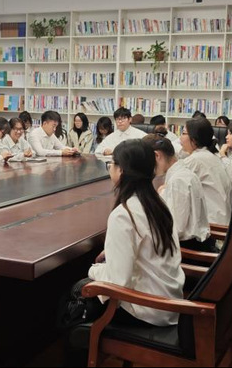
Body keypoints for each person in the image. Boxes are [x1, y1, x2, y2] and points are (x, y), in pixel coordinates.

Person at [87, 139, 184, 327]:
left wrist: (93, 270)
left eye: (112, 163)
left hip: (145, 311)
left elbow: (118, 282)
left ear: (122, 170)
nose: (110, 168)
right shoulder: (158, 204)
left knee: (75, 294)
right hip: (169, 303)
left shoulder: (123, 214)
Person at [143, 135, 212, 251]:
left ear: (157, 155)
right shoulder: (182, 174)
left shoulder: (178, 181)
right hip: (190, 244)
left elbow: (176, 229)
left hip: (188, 250)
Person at [181, 117, 232, 226]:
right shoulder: (211, 156)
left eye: (183, 133)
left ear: (194, 139)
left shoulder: (195, 160)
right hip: (224, 221)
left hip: (212, 226)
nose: (180, 138)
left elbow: (178, 188)